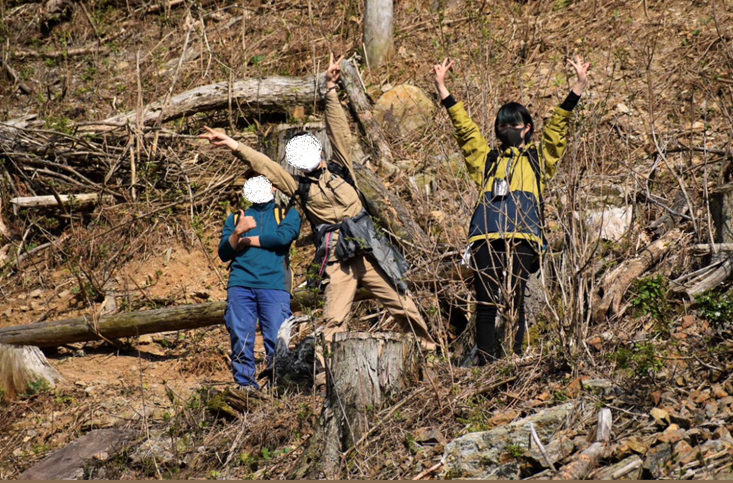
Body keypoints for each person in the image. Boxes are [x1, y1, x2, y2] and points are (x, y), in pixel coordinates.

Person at [200, 54, 436, 350]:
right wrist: (235, 145)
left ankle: (429, 353)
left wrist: (330, 91)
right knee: (334, 322)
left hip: (370, 250)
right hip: (339, 259)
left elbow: (339, 130)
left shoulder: (341, 168)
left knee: (404, 304)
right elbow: (267, 166)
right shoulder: (298, 187)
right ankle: (325, 381)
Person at [433, 55, 590, 364]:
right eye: (501, 125)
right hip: (486, 236)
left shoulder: (539, 160)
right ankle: (487, 362)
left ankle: (514, 358)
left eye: (512, 124)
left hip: (524, 235)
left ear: (527, 128)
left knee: (516, 298)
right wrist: (443, 89)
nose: (506, 129)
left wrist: (578, 89)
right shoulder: (486, 160)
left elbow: (558, 127)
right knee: (485, 302)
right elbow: (464, 130)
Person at [214, 175, 301, 388]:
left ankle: (279, 387)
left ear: (272, 189)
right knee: (240, 338)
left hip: (275, 285)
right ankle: (245, 388)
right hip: (240, 284)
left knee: (277, 339)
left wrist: (244, 240)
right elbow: (224, 253)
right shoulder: (236, 219)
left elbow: (282, 238)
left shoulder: (287, 214)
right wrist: (237, 232)